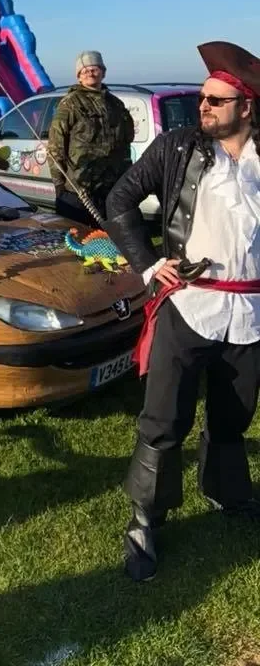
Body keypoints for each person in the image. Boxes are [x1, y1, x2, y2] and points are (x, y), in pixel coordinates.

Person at [104, 40, 260, 582]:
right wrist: (149, 265)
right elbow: (119, 200)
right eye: (202, 98)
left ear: (246, 106)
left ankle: (225, 489)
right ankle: (145, 518)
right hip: (188, 306)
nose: (204, 106)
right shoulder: (177, 147)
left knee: (232, 415)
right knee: (164, 419)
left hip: (250, 314)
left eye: (216, 99)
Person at [47, 50, 134, 225]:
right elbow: (55, 147)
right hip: (79, 190)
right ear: (78, 77)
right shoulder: (70, 104)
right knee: (78, 242)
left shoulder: (116, 104)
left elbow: (126, 141)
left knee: (112, 243)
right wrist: (60, 187)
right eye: (84, 70)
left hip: (112, 187)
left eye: (94, 68)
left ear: (103, 72)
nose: (89, 73)